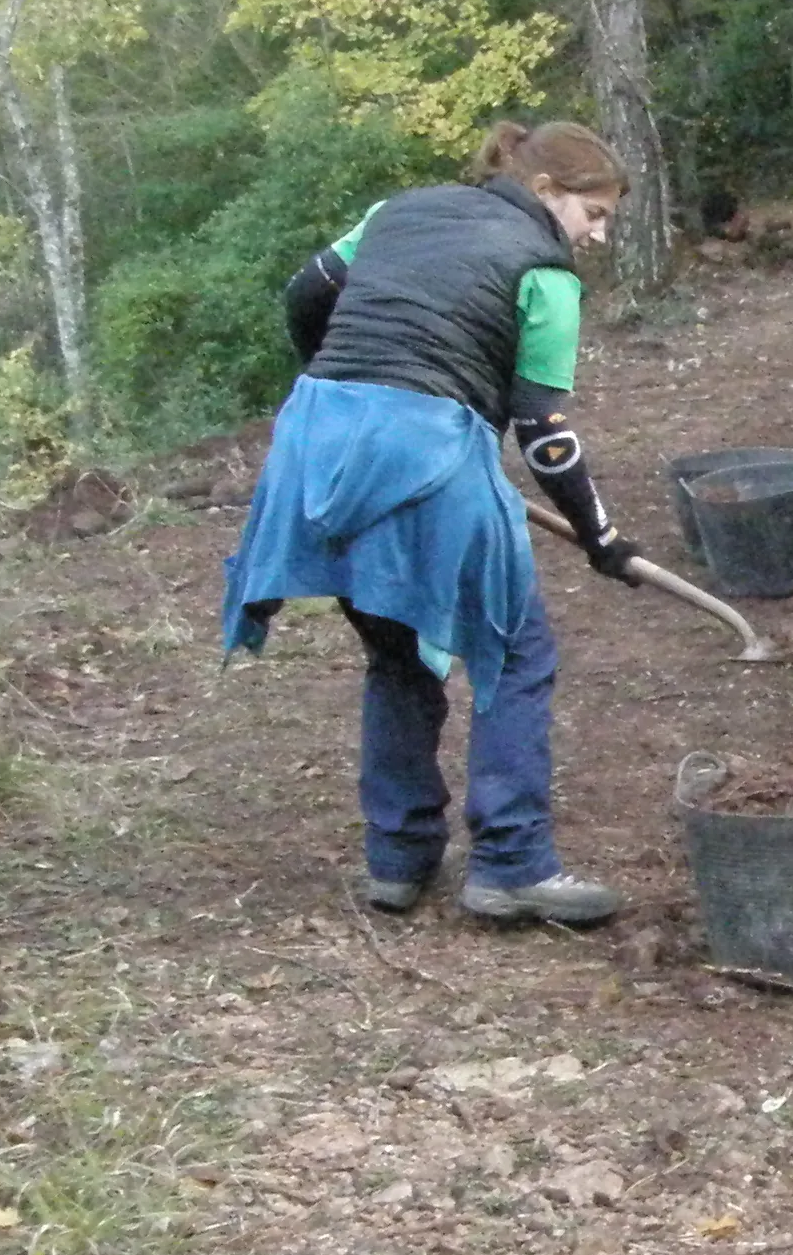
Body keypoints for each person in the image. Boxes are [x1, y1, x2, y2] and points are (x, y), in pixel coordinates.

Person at [220, 120, 639, 926]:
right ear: (545, 190)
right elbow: (544, 434)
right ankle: (513, 863)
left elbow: (305, 292)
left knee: (398, 650)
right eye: (594, 214)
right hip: (423, 446)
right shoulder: (546, 274)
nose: (598, 235)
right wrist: (599, 536)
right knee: (513, 651)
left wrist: (349, 377)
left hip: (317, 435)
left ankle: (399, 858)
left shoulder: (398, 211)